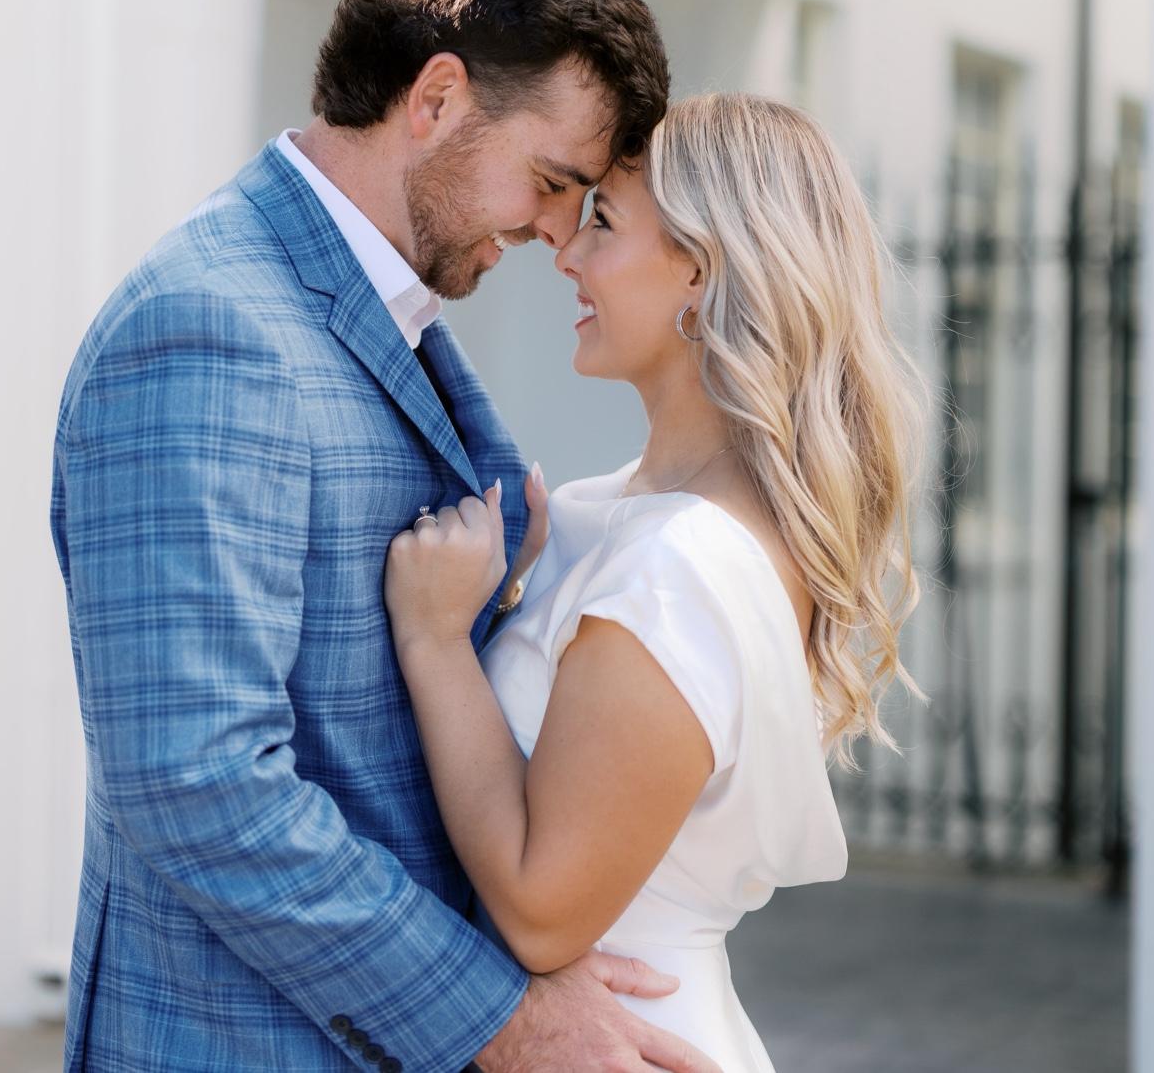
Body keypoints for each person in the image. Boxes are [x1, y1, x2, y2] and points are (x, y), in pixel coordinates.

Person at [50, 0, 723, 1072]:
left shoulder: (375, 305)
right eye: (549, 180)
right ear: (436, 98)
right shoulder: (209, 327)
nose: (557, 234)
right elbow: (201, 782)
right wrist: (502, 1019)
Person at [384, 92, 930, 1071]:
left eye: (602, 221)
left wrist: (434, 640)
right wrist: (509, 600)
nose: (565, 253)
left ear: (700, 270)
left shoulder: (683, 564)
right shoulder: (628, 516)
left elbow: (541, 909)